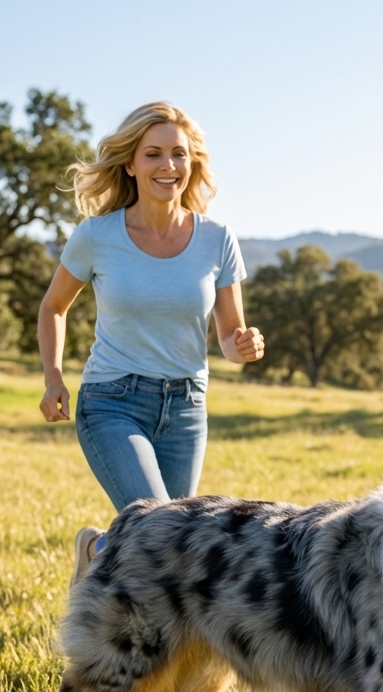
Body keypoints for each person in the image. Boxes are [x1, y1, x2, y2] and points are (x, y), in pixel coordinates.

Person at [37, 101, 264, 584]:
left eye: (179, 155)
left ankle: (99, 552)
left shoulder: (217, 239)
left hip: (186, 406)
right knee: (162, 529)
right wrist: (54, 378)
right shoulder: (98, 236)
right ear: (131, 163)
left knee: (173, 548)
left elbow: (227, 334)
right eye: (154, 154)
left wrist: (241, 345)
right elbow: (53, 307)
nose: (168, 167)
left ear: (192, 163)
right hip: (113, 401)